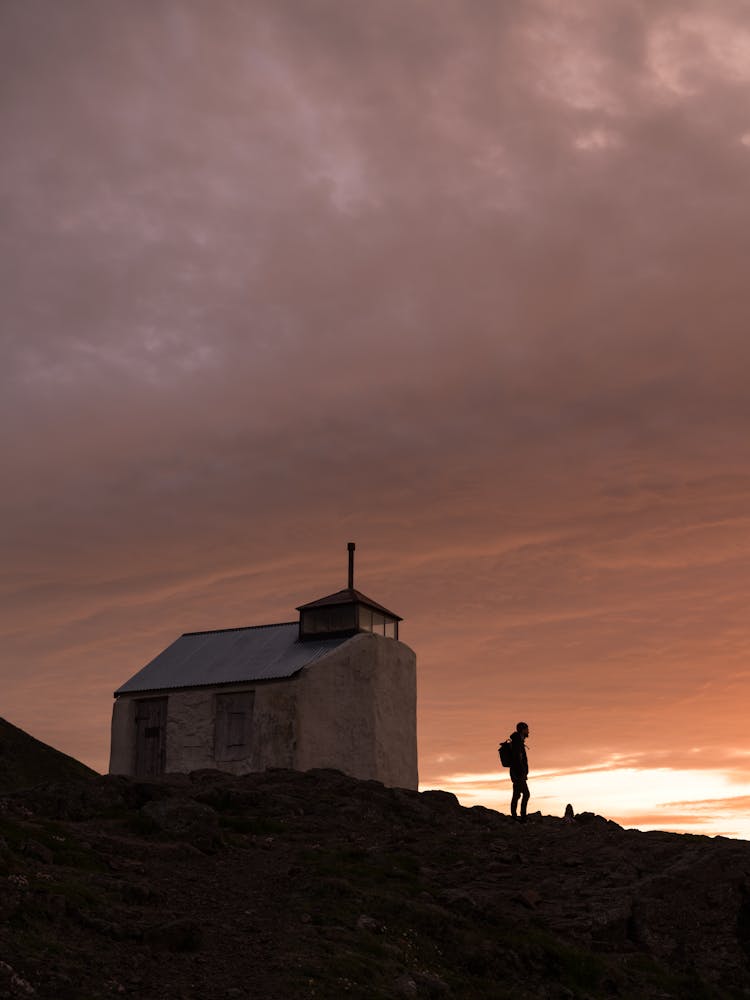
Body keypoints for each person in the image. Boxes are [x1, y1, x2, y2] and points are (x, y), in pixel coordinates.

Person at [510, 721, 530, 821]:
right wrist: (522, 772)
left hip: (516, 773)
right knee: (526, 794)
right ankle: (523, 816)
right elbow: (518, 759)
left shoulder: (518, 741)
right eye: (527, 729)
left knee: (516, 794)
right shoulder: (517, 742)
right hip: (518, 773)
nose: (528, 731)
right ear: (522, 730)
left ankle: (514, 816)